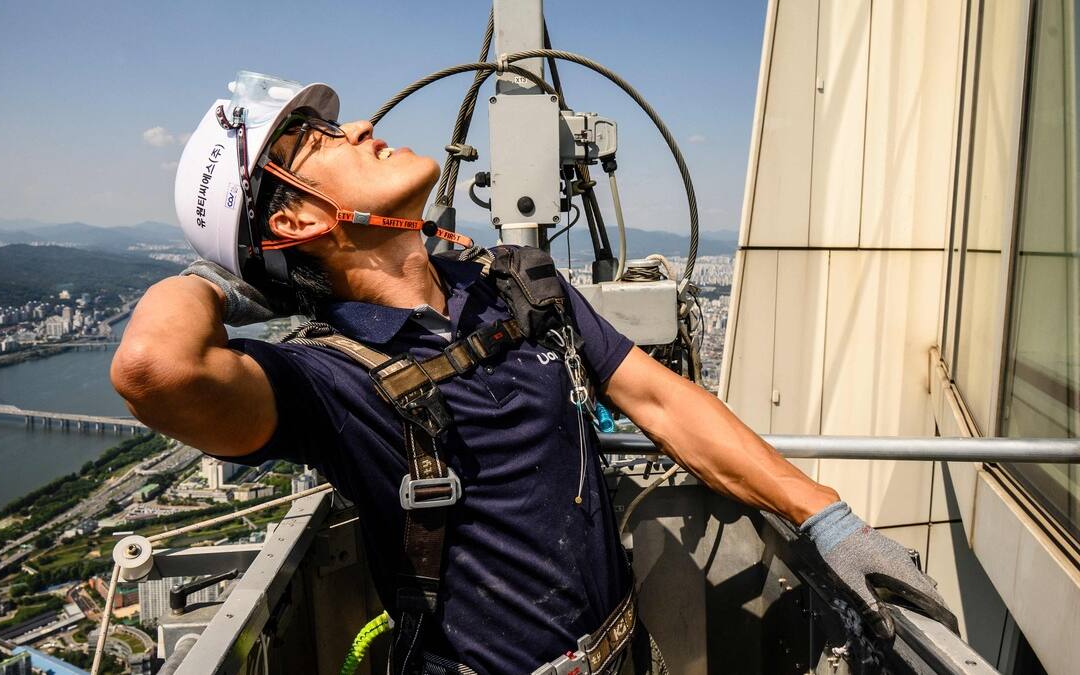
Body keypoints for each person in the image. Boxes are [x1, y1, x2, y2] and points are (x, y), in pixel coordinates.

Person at [111, 74, 953, 675]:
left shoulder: (514, 286)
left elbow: (658, 398)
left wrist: (826, 518)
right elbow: (152, 368)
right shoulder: (331, 384)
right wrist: (217, 284)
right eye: (320, 141)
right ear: (295, 217)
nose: (359, 128)